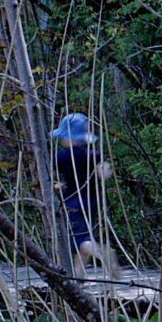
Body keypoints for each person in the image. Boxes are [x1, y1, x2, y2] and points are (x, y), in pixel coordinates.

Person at [50, 112, 113, 269]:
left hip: (73, 203)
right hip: (91, 202)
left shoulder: (61, 157)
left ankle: (103, 254)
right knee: (85, 237)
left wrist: (57, 185)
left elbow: (51, 178)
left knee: (78, 240)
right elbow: (104, 174)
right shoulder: (93, 155)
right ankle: (79, 278)